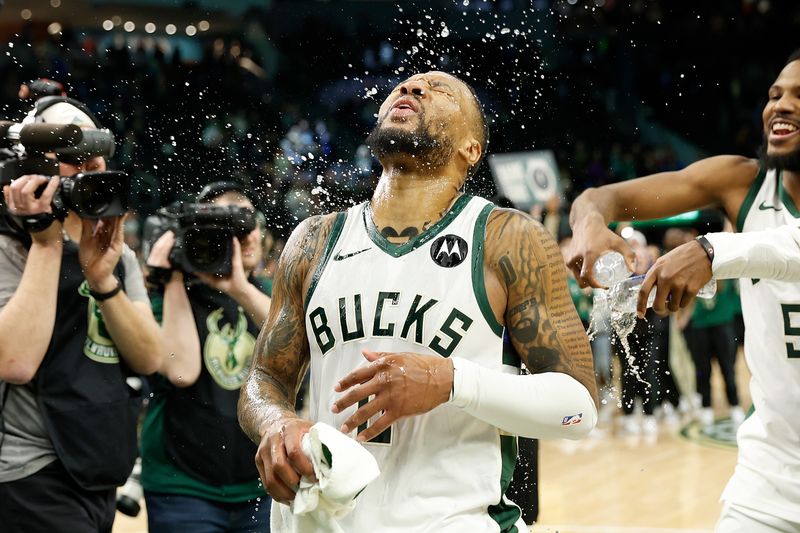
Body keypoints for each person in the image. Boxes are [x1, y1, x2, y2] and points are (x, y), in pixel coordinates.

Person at [238, 71, 598, 532]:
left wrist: (450, 380)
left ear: (471, 148)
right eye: (403, 87)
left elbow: (579, 410)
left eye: (439, 89)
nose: (411, 89)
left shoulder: (508, 238)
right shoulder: (314, 239)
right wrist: (275, 424)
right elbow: (264, 378)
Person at [567, 50, 800, 532]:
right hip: (771, 480)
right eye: (775, 94)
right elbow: (602, 197)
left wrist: (715, 249)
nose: (781, 105)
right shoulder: (744, 183)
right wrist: (590, 224)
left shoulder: (730, 241)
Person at [0, 97, 163, 532]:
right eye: (73, 161)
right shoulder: (7, 245)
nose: (89, 172)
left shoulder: (116, 253)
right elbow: (14, 361)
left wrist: (103, 280)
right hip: (31, 472)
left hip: (97, 466)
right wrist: (46, 241)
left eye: (96, 161)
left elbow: (150, 359)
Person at [141, 181, 272, 532]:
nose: (240, 237)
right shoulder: (165, 299)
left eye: (246, 224)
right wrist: (172, 277)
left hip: (262, 484)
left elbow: (295, 340)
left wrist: (240, 289)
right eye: (225, 229)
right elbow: (180, 371)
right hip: (182, 487)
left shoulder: (273, 296)